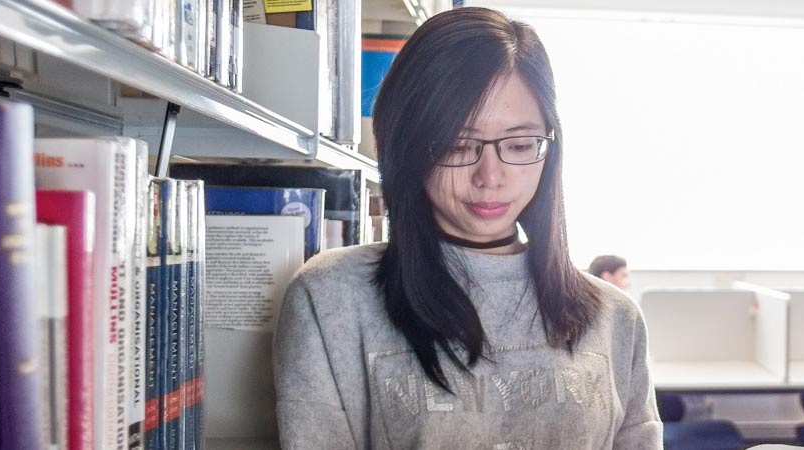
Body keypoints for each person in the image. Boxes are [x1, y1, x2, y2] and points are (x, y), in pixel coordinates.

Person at [273, 8, 662, 449]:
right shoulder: (330, 299)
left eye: (518, 144)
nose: (490, 175)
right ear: (407, 144)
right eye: (459, 145)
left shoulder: (615, 317)